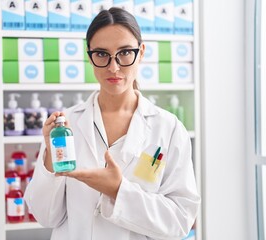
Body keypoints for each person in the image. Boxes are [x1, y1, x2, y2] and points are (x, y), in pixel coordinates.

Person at [25, 7, 200, 240]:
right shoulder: (66, 125)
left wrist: (118, 191)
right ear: (90, 56)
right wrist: (49, 157)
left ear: (141, 52)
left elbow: (179, 221)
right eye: (101, 54)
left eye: (125, 52)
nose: (113, 67)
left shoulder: (168, 128)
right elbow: (45, 216)